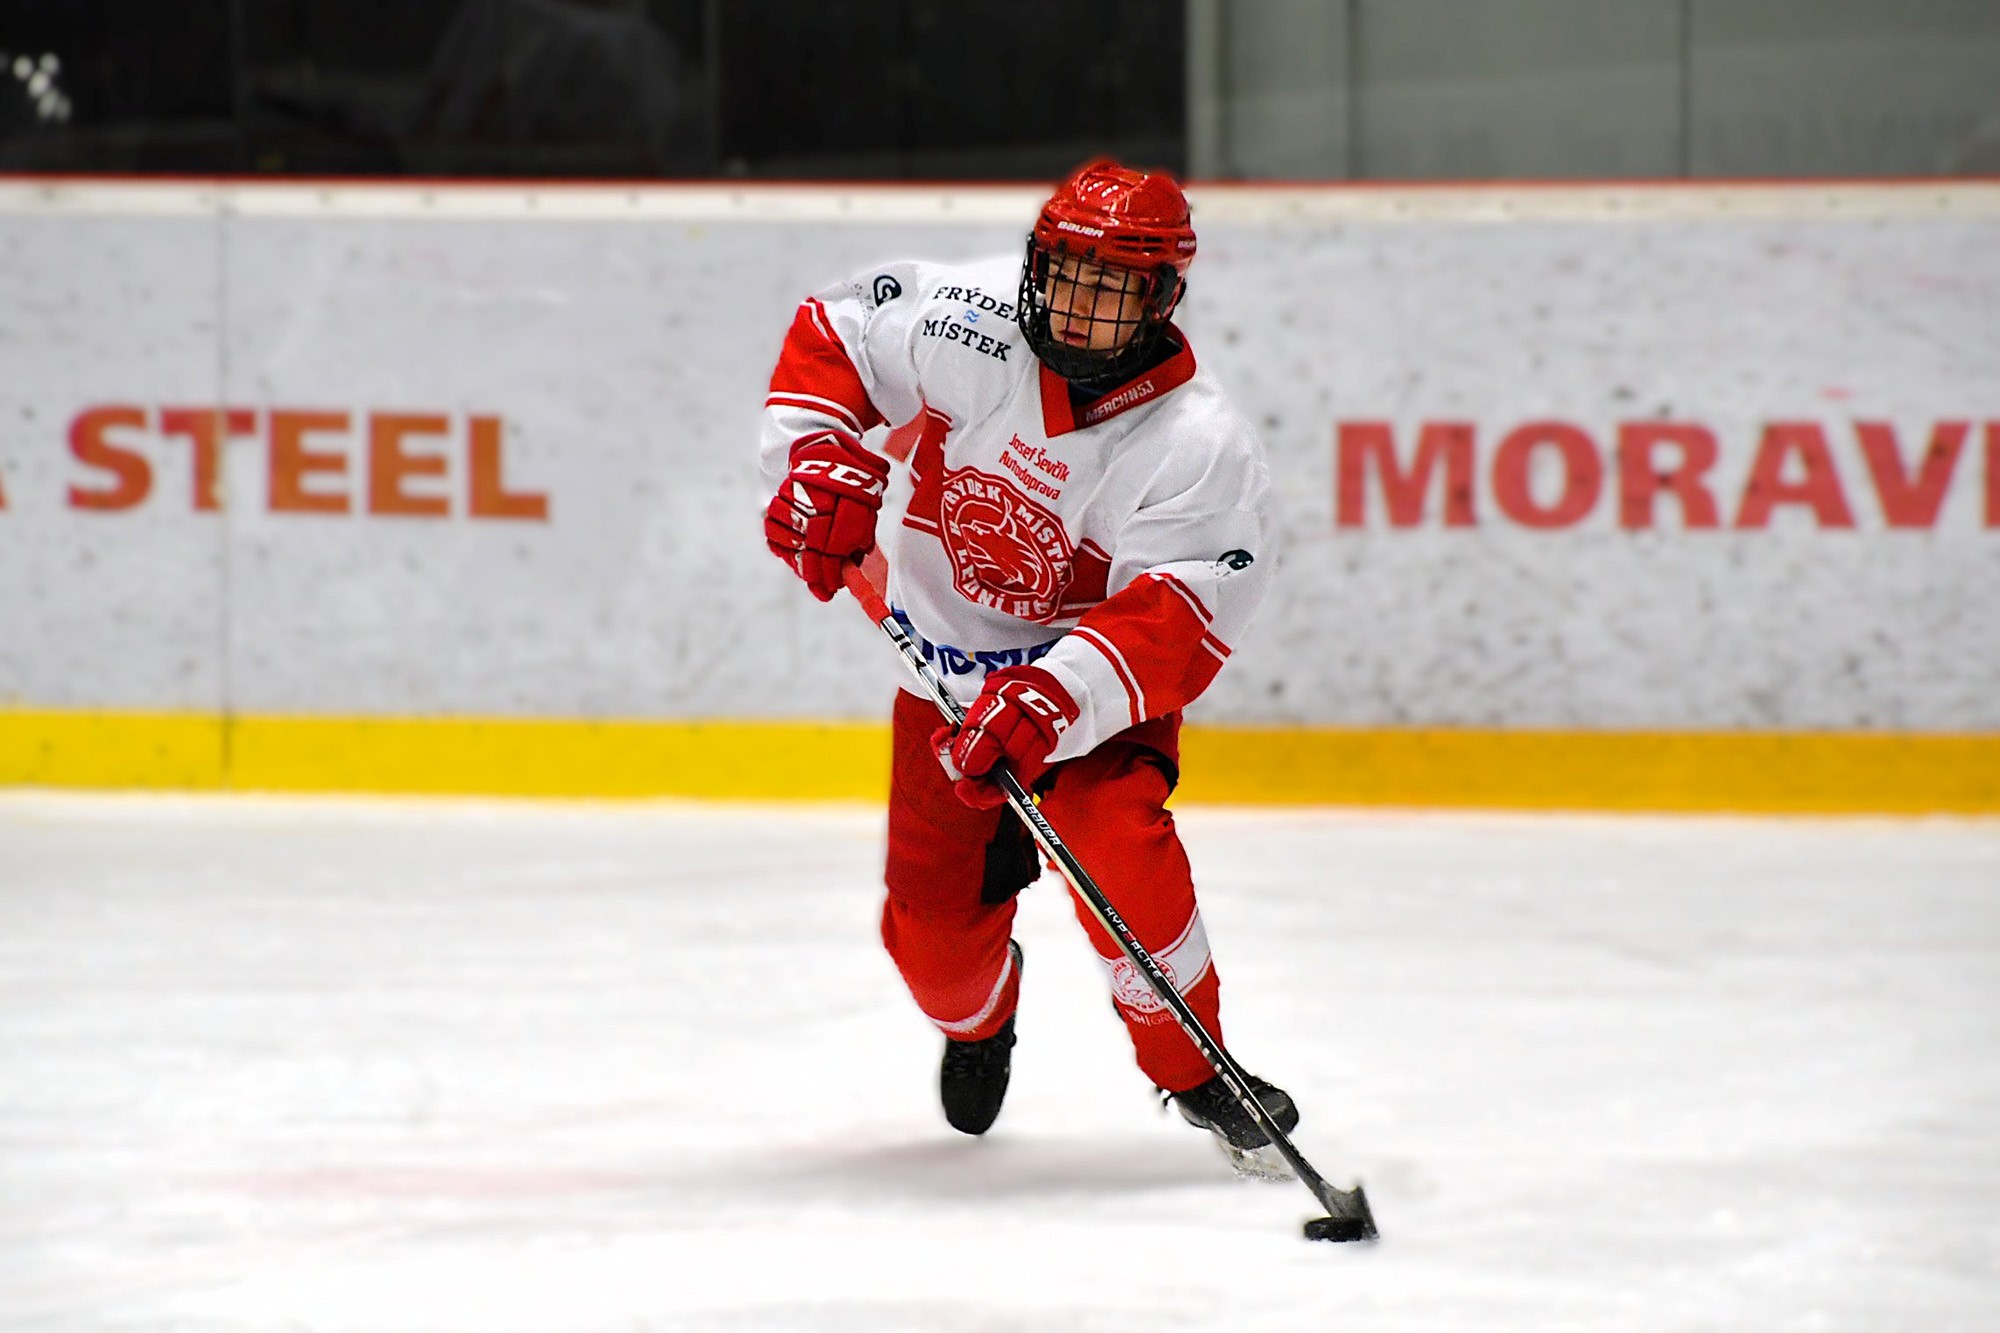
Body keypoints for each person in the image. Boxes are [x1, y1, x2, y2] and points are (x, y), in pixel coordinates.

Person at [759, 158, 1296, 1174]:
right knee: (930, 947)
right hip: (945, 688)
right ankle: (979, 1018)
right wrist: (810, 463)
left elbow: (1176, 614)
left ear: (1162, 297)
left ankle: (1197, 1070)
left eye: (1112, 286)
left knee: (1119, 852)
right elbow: (836, 338)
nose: (1079, 304)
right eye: (1067, 272)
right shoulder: (963, 318)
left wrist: (1054, 696)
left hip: (1091, 703)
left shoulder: (1197, 443)